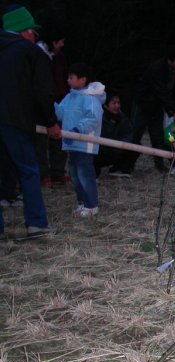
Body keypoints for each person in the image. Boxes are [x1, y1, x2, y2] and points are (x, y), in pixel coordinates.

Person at [0, 6, 61, 239]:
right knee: (28, 170)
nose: (35, 36)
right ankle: (36, 224)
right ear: (24, 31)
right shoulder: (31, 53)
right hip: (15, 119)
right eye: (32, 31)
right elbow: (42, 92)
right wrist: (51, 122)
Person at [110, 45, 175, 177]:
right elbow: (161, 91)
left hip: (157, 106)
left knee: (158, 136)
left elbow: (172, 93)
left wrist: (174, 108)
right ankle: (124, 166)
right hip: (143, 104)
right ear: (170, 60)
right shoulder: (156, 69)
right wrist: (173, 111)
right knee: (135, 134)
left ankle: (159, 165)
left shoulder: (174, 72)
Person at [55, 63, 105, 217]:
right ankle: (82, 203)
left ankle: (91, 205)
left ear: (82, 79)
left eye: (71, 77)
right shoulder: (69, 97)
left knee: (85, 174)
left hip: (85, 143)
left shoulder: (90, 98)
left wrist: (77, 130)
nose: (68, 80)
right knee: (75, 175)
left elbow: (93, 118)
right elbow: (60, 114)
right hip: (72, 143)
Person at [35, 22, 69, 186]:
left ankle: (58, 172)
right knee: (40, 141)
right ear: (53, 41)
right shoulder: (37, 56)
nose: (62, 44)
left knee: (59, 139)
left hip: (59, 102)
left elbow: (62, 78)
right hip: (40, 104)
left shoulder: (59, 58)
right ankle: (43, 175)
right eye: (60, 41)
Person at [94, 89, 133, 177]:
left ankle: (119, 168)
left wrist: (122, 144)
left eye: (118, 103)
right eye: (114, 103)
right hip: (103, 150)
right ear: (106, 105)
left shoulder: (123, 118)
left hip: (118, 149)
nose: (117, 106)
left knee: (135, 146)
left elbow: (128, 134)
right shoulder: (99, 118)